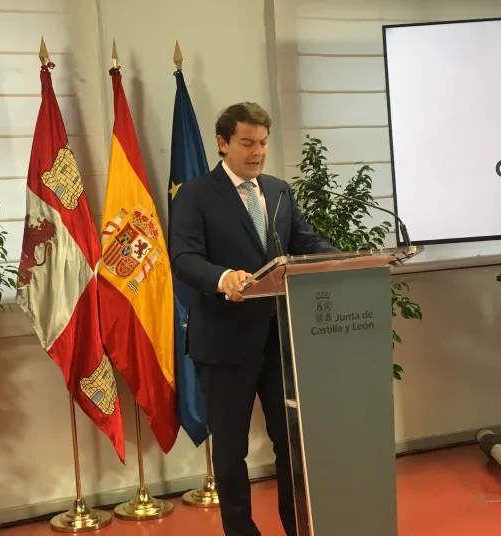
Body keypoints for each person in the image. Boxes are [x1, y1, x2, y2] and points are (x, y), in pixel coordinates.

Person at [169, 102, 338, 536]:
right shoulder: (195, 194)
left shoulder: (278, 190)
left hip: (279, 342)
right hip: (224, 343)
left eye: (263, 142)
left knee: (292, 447)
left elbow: (304, 242)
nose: (258, 152)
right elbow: (184, 258)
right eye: (247, 143)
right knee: (231, 454)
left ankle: (298, 527)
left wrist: (347, 262)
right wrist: (222, 277)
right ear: (222, 143)